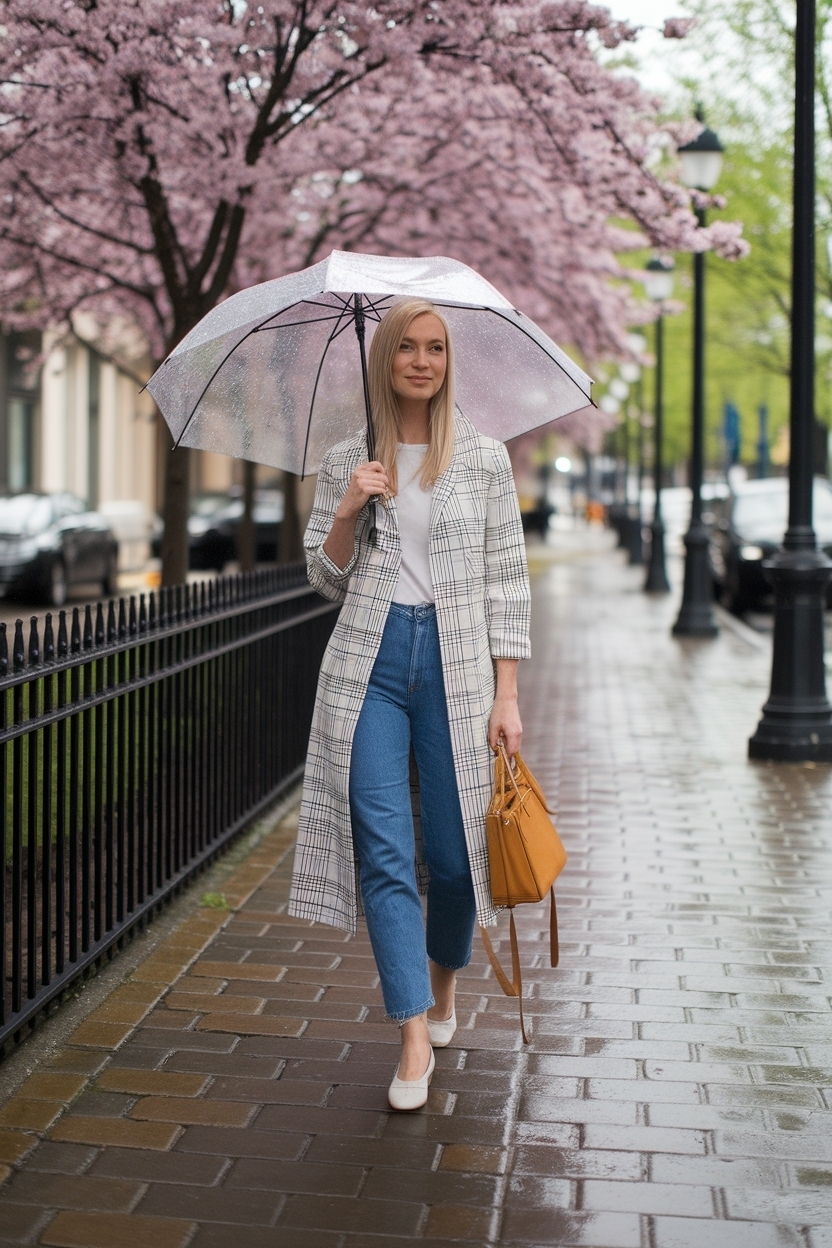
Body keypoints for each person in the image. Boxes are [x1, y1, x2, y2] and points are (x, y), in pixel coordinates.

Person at [289, 296, 530, 1110]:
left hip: (459, 667)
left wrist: (508, 693)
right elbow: (324, 580)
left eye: (435, 348)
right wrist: (349, 511)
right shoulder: (346, 459)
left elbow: (508, 582)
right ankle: (413, 1033)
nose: (422, 361)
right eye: (406, 349)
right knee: (385, 854)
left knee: (457, 859)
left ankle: (445, 984)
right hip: (370, 664)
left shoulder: (486, 460)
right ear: (384, 358)